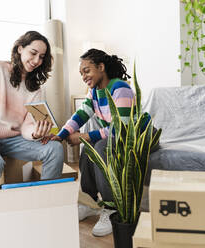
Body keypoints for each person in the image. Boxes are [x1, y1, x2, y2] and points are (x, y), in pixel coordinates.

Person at [0, 31, 64, 240]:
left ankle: (45, 206)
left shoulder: (36, 88)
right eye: (33, 53)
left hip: (13, 138)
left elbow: (26, 126)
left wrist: (36, 133)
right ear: (20, 48)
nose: (37, 61)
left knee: (54, 148)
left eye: (42, 57)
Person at [51, 48, 137, 237]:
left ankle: (111, 208)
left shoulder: (120, 88)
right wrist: (62, 133)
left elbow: (120, 128)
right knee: (91, 146)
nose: (84, 76)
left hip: (133, 138)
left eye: (87, 70)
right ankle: (90, 202)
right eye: (81, 73)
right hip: (114, 137)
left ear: (101, 67)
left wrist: (85, 136)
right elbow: (80, 114)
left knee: (99, 146)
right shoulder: (95, 92)